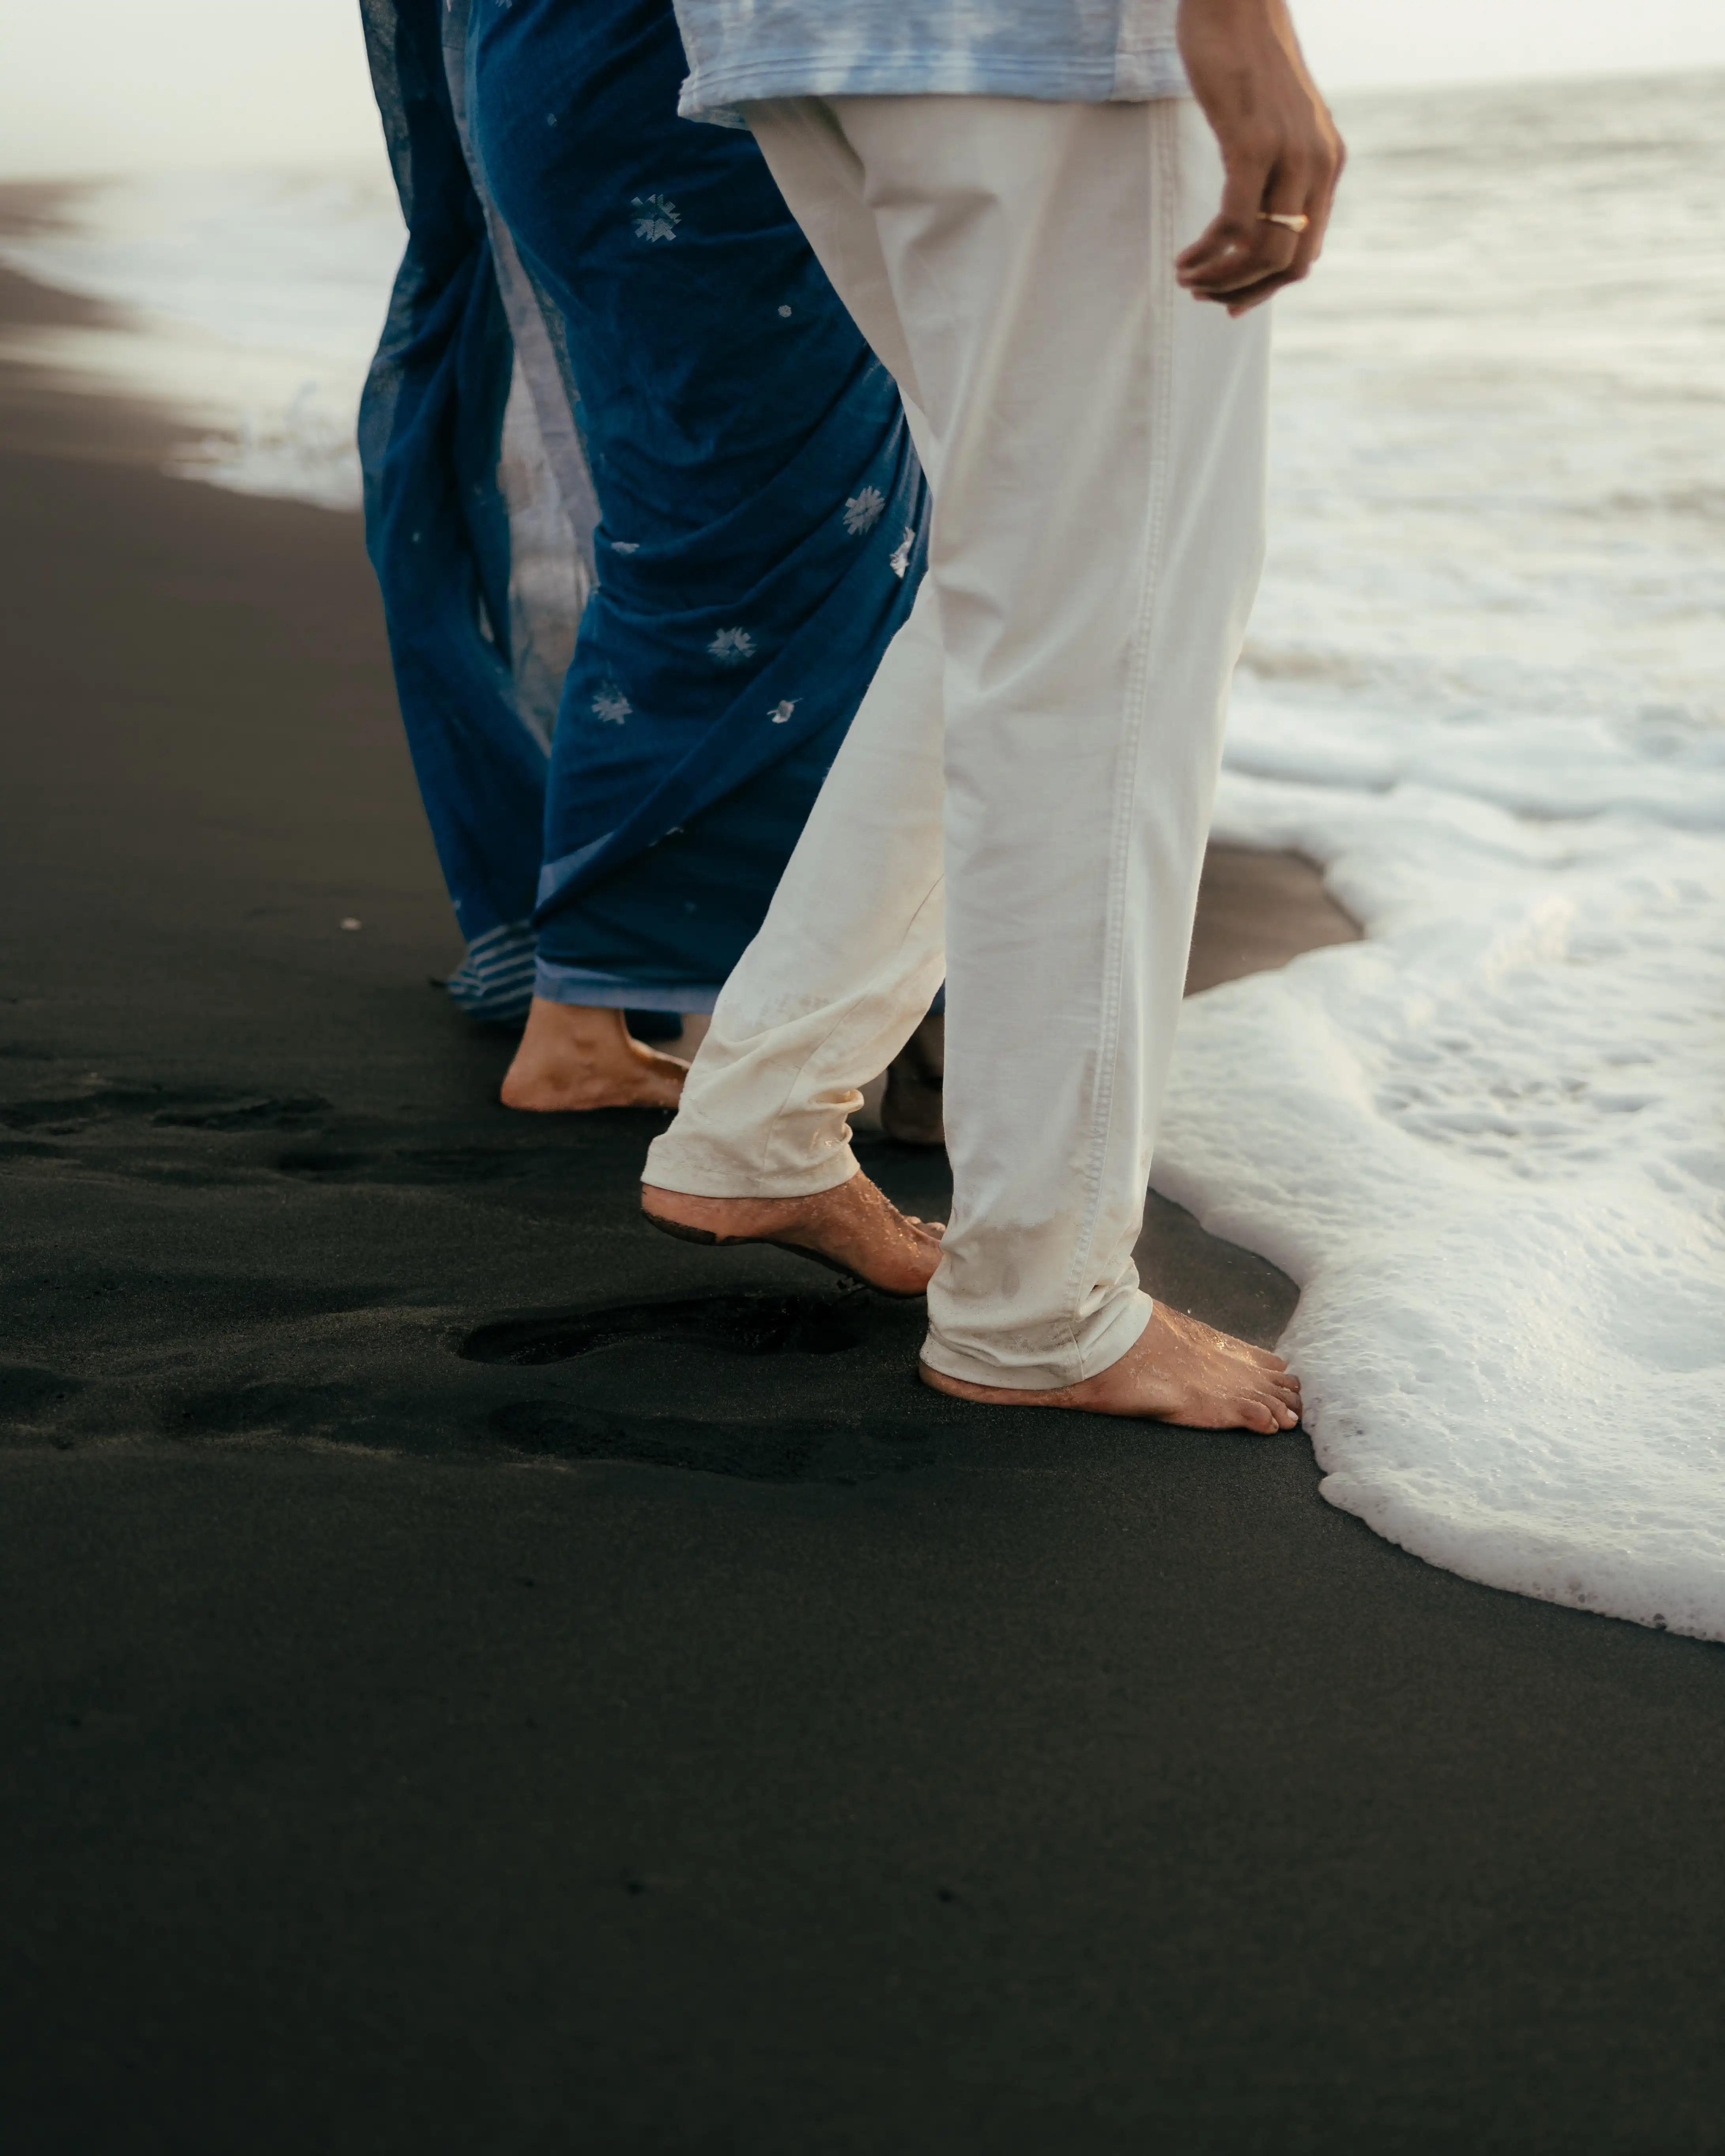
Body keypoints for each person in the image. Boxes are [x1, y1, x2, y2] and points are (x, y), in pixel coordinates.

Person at [641, 0, 1342, 1430]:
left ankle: (763, 1114)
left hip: (787, 35)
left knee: (1026, 584)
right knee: (1112, 616)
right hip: (1044, 36)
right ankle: (1043, 1303)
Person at [359, 0, 931, 1112]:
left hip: (567, 91)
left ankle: (602, 1007)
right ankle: (653, 1020)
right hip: (678, 100)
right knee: (785, 553)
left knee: (703, 540)